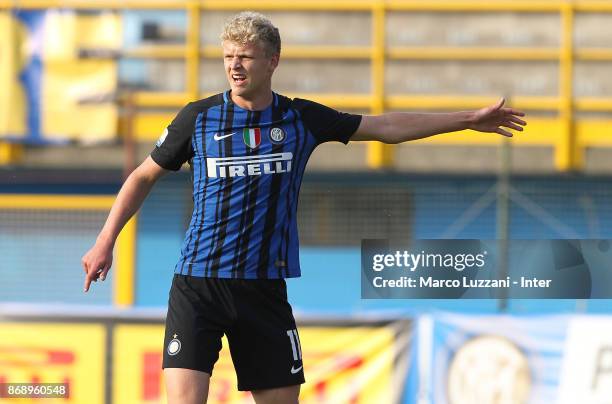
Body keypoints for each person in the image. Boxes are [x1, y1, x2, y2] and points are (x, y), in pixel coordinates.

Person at [81, 11, 526, 404]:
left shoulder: (299, 118)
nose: (235, 65)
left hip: (263, 288)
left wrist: (466, 120)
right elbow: (142, 175)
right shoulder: (197, 119)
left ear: (272, 61)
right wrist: (106, 240)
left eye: (247, 56)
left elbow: (384, 126)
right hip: (198, 284)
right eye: (228, 56)